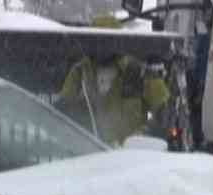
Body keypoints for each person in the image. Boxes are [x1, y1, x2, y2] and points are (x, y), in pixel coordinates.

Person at [56, 15, 170, 145]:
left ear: (119, 41)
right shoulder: (79, 73)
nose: (102, 46)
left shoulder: (138, 71)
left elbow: (164, 113)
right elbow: (61, 114)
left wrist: (144, 135)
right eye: (98, 40)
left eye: (108, 40)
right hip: (88, 155)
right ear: (90, 41)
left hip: (131, 158)